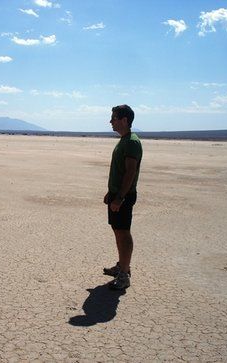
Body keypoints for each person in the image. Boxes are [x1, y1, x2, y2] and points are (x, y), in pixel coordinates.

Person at [103, 104, 142, 290]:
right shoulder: (125, 140)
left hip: (123, 197)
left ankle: (124, 274)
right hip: (116, 194)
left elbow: (130, 173)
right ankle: (121, 266)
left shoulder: (131, 142)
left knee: (123, 232)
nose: (111, 121)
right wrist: (111, 193)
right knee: (117, 230)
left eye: (114, 118)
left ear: (124, 120)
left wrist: (119, 197)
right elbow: (120, 172)